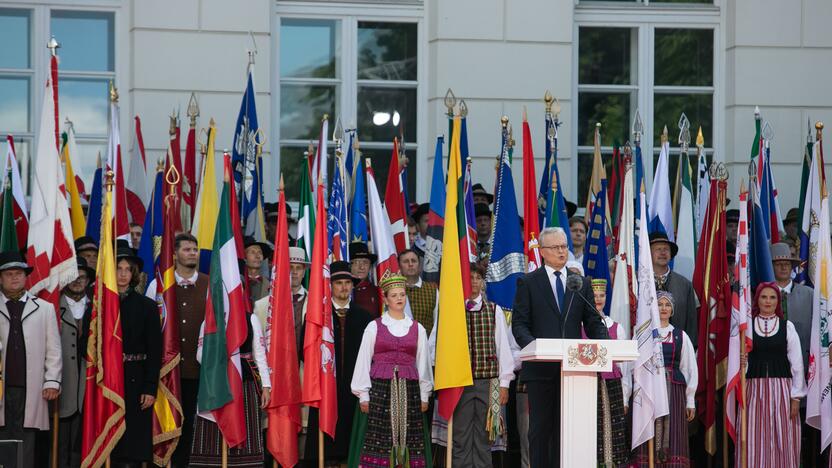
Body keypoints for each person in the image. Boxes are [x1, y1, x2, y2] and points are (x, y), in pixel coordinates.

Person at [511, 227, 608, 467]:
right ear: (543, 252)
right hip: (541, 369)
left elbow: (593, 322)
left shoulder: (580, 282)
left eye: (564, 246)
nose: (562, 251)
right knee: (541, 431)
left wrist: (606, 346)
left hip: (574, 372)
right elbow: (520, 324)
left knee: (567, 431)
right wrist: (534, 348)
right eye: (556, 247)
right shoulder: (528, 282)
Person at [349, 271, 433, 467]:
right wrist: (363, 395)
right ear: (385, 299)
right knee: (378, 437)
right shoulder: (374, 327)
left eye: (402, 295)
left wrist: (424, 394)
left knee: (410, 437)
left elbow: (423, 363)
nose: (399, 299)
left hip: (409, 392)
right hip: (380, 391)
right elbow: (363, 360)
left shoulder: (417, 328)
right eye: (394, 295)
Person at [146, 232, 210, 468]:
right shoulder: (160, 284)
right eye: (186, 249)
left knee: (192, 424)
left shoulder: (208, 283)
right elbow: (150, 326)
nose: (192, 253)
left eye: (195, 249)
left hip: (198, 370)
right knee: (164, 422)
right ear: (174, 254)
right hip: (165, 372)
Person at [190, 290, 272, 467]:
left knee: (246, 427)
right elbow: (199, 355)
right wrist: (219, 357)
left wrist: (266, 385)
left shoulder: (251, 319)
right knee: (213, 431)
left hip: (245, 384)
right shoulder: (209, 321)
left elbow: (259, 354)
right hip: (215, 384)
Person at [306, 261, 374, 466]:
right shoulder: (318, 317)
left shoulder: (365, 317)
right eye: (338, 283)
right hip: (326, 387)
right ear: (330, 286)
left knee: (351, 435)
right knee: (325, 437)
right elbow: (306, 350)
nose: (344, 287)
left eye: (347, 282)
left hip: (354, 388)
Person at [0, 251, 62, 468]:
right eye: (8, 273)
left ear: (26, 277)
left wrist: (52, 381)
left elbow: (53, 349)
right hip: (1, 387)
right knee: (2, 436)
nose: (14, 277)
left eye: (19, 273)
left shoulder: (44, 309)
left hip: (32, 387)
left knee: (27, 439)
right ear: (0, 278)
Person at [449, 263, 514, 467]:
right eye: (470, 278)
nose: (474, 282)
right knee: (460, 435)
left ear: (483, 282)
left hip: (489, 384)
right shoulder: (453, 312)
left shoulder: (494, 311)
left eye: (477, 277)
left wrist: (504, 384)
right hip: (460, 383)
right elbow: (438, 346)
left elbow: (503, 348)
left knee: (486, 437)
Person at [739, 283, 805, 468]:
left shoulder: (787, 327)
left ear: (778, 301)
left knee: (782, 437)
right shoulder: (747, 328)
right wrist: (741, 363)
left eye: (772, 297)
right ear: (756, 300)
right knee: (753, 435)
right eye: (764, 297)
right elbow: (740, 364)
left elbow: (797, 363)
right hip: (753, 390)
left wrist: (796, 398)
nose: (768, 301)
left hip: (782, 390)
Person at [110, 246, 162, 466]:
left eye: (127, 269)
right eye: (118, 268)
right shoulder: (99, 305)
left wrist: (150, 387)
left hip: (136, 377)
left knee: (134, 439)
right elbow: (88, 343)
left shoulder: (147, 307)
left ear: (133, 274)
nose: (122, 274)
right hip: (109, 378)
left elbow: (155, 349)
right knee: (111, 436)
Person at [632, 291, 697, 467]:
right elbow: (633, 365)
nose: (663, 308)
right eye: (659, 304)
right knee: (649, 429)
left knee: (674, 431)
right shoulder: (643, 334)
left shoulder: (680, 336)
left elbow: (689, 368)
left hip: (674, 392)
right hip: (649, 390)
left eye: (667, 305)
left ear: (672, 310)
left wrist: (690, 399)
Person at [55, 257, 94, 468]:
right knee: (59, 442)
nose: (78, 281)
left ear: (88, 281)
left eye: (83, 277)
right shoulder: (54, 306)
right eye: (73, 276)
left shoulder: (97, 307)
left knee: (82, 440)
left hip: (87, 384)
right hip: (62, 383)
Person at [588, 279, 630, 467]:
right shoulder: (581, 325)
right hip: (587, 384)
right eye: (594, 296)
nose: (598, 299)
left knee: (615, 428)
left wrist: (626, 398)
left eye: (601, 295)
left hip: (612, 383)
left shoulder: (616, 327)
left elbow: (625, 366)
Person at [650, 232, 699, 346]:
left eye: (666, 249)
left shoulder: (685, 285)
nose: (663, 252)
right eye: (658, 249)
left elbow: (691, 322)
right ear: (648, 253)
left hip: (677, 351)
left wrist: (690, 348)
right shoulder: (638, 282)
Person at [771, 242, 812, 371]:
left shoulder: (809, 294)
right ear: (771, 267)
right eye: (778, 264)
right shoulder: (762, 295)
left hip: (804, 364)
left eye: (787, 264)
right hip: (772, 366)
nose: (783, 267)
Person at [399, 249, 438, 335]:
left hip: (426, 345)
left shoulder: (432, 290)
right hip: (398, 345)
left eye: (414, 261)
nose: (410, 264)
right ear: (399, 267)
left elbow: (437, 323)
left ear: (419, 266)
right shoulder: (394, 291)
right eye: (406, 261)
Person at [350, 242, 381, 316]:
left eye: (365, 262)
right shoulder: (340, 290)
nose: (362, 267)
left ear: (370, 266)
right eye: (356, 262)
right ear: (349, 264)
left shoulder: (377, 292)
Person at [243, 236, 272, 305]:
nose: (257, 256)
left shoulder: (271, 286)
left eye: (260, 252)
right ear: (244, 257)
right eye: (253, 252)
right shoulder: (237, 284)